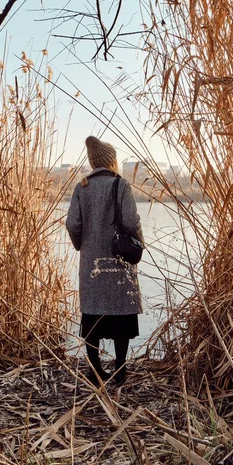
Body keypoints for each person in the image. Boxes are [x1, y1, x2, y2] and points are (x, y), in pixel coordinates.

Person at [66, 136, 143, 386]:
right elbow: (130, 222)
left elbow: (73, 223)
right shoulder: (120, 185)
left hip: (92, 265)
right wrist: (138, 241)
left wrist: (82, 245)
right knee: (121, 313)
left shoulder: (82, 187)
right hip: (119, 262)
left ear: (92, 162)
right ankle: (120, 369)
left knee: (92, 315)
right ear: (112, 161)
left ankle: (95, 371)